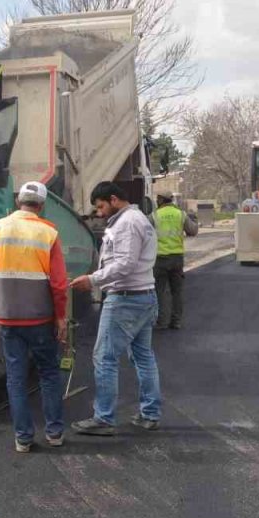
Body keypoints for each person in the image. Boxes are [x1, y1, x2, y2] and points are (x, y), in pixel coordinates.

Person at [0, 181, 69, 453]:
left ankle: (23, 439)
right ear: (42, 205)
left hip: (7, 317)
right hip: (40, 318)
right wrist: (60, 317)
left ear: (18, 202)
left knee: (15, 378)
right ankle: (54, 433)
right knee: (49, 373)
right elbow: (59, 284)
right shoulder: (48, 233)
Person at [68, 181, 161, 435]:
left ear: (113, 199)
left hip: (125, 300)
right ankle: (150, 413)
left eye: (100, 207)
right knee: (143, 357)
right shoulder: (136, 218)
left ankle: (104, 419)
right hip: (143, 296)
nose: (99, 212)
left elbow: (125, 263)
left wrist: (93, 280)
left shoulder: (128, 223)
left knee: (104, 358)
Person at [152, 193, 199, 331]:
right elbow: (192, 231)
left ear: (160, 200)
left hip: (160, 259)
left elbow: (144, 233)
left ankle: (161, 322)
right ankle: (176, 321)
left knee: (159, 292)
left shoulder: (154, 215)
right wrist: (194, 220)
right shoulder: (181, 214)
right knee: (176, 291)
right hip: (176, 259)